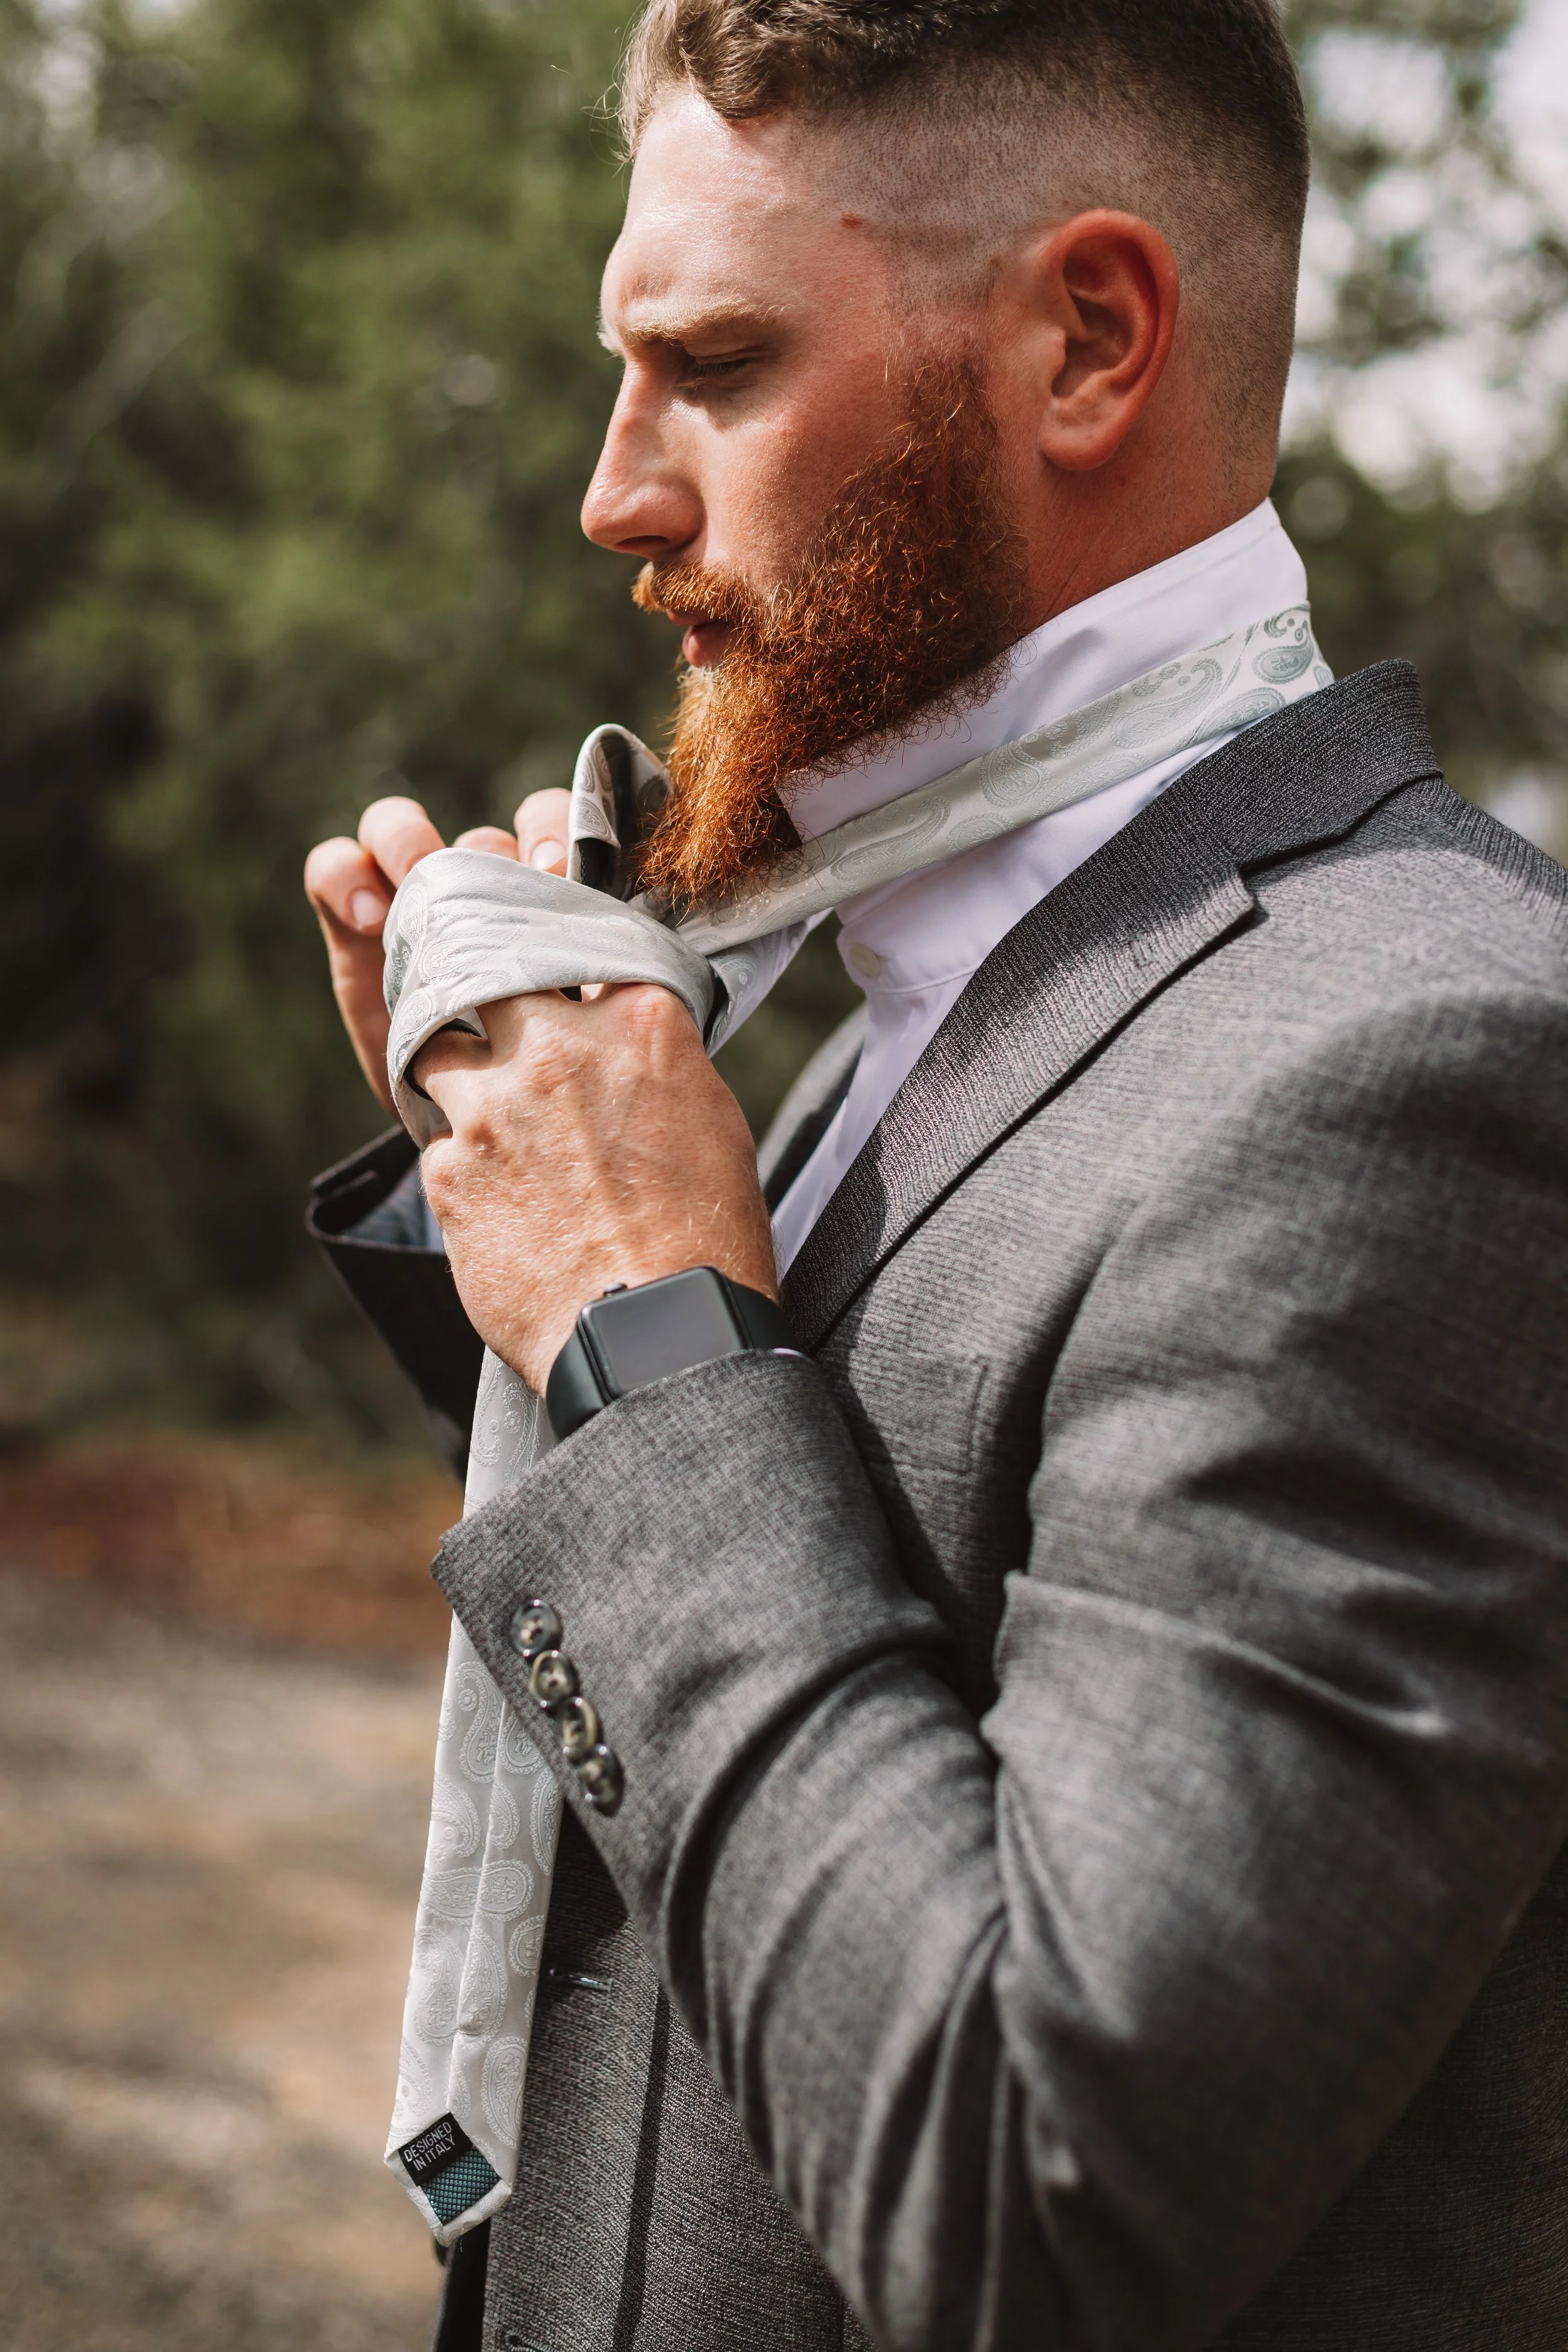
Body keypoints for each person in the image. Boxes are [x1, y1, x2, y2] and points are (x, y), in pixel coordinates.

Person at [303, 3, 1568, 2346]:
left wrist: (641, 1324)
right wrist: (518, 1210)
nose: (615, 490)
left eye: (717, 362)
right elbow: (901, 1564)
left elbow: (1043, 2191)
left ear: (1087, 340)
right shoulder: (919, 969)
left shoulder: (1424, 1061)